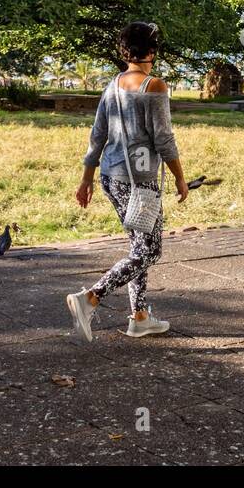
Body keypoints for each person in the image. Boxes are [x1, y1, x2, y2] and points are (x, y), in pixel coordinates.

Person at [68, 22, 188, 340]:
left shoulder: (113, 85)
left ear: (125, 50)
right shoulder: (154, 87)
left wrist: (86, 179)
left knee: (137, 247)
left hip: (111, 177)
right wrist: (180, 179)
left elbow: (97, 136)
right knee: (149, 252)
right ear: (151, 50)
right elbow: (164, 140)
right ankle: (90, 298)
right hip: (141, 182)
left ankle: (139, 316)